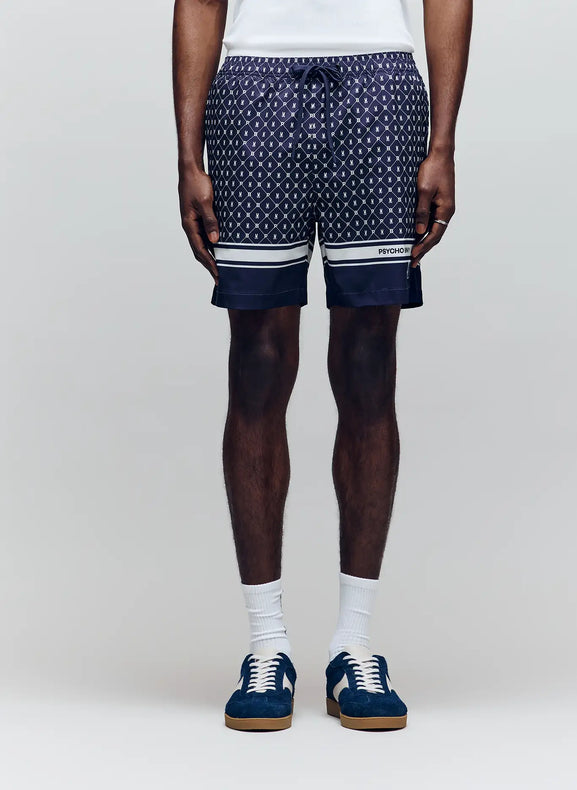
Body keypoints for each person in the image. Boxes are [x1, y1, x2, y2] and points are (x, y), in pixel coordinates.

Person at [172, 0, 471, 731]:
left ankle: (353, 645)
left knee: (370, 366)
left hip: (380, 88)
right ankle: (266, 645)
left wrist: (443, 143)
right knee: (257, 363)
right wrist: (188, 156)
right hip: (252, 88)